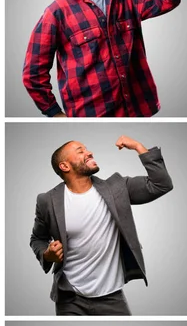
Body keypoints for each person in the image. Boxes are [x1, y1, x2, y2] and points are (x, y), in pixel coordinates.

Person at [23, 0, 180, 117]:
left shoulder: (126, 1)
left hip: (140, 111)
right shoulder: (57, 12)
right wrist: (55, 113)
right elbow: (33, 73)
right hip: (92, 116)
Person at [30, 135, 173, 315]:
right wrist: (47, 254)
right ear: (64, 166)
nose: (89, 152)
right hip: (69, 297)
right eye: (80, 151)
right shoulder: (47, 201)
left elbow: (161, 184)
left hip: (112, 297)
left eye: (87, 148)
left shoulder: (117, 188)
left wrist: (138, 147)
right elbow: (37, 238)